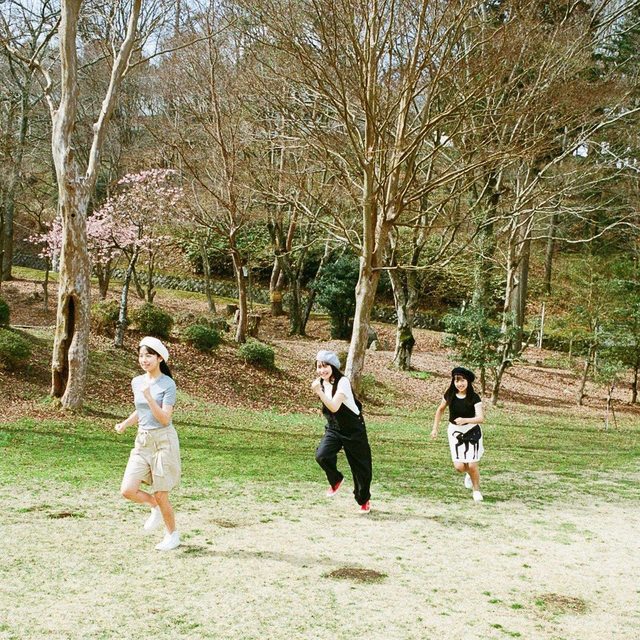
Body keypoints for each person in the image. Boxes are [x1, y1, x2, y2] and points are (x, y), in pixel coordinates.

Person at [115, 336, 182, 550]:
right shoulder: (137, 382)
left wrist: (150, 397)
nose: (144, 360)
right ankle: (154, 506)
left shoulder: (167, 384)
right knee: (127, 490)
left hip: (163, 441)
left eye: (149, 356)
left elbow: (165, 419)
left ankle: (172, 535)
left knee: (162, 493)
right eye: (141, 355)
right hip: (143, 440)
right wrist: (125, 423)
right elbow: (141, 410)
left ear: (160, 358)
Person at [312, 350, 373, 513]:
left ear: (333, 367)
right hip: (334, 428)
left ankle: (363, 499)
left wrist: (319, 392)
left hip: (354, 429)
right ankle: (336, 479)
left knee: (360, 467)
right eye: (319, 367)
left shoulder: (343, 382)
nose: (322, 370)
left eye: (325, 366)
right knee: (322, 455)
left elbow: (334, 406)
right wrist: (320, 390)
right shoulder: (320, 383)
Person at [431, 366, 485, 502]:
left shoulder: (474, 397)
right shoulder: (449, 394)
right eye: (457, 381)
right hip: (455, 432)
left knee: (472, 465)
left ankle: (476, 490)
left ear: (468, 381)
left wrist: (465, 420)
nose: (460, 384)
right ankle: (469, 474)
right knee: (459, 467)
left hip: (472, 431)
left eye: (462, 380)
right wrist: (435, 428)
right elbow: (440, 410)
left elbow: (481, 418)